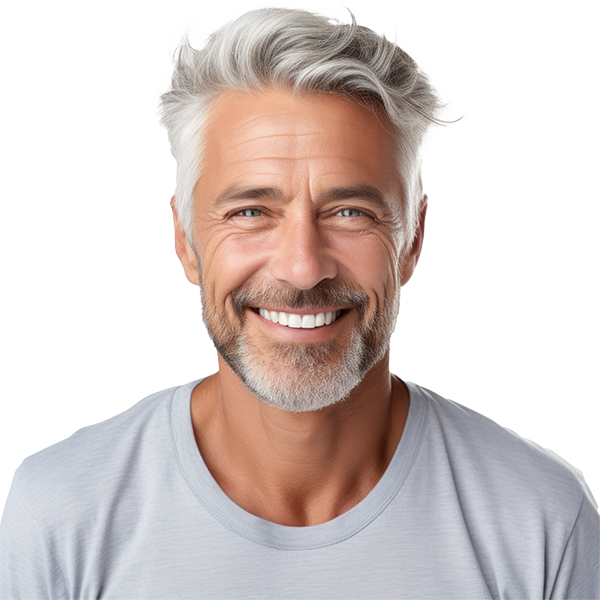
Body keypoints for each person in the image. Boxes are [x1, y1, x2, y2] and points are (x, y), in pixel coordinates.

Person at [1, 6, 599, 598]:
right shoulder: (59, 518)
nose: (302, 267)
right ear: (185, 240)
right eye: (251, 212)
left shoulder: (541, 524)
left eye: (349, 212)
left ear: (411, 240)